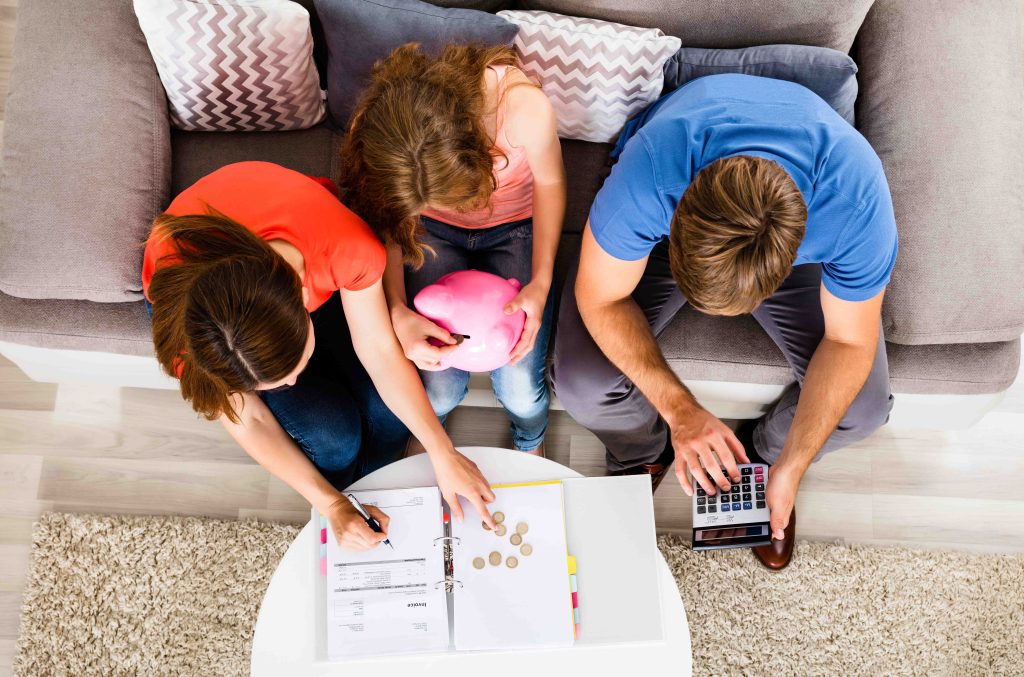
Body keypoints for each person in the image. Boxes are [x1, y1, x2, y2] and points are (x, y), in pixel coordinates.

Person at [552, 74, 897, 569]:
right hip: (680, 208)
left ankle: (763, 457)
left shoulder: (855, 201)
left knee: (863, 408)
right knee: (581, 380)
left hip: (794, 242)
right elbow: (600, 298)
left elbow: (849, 341)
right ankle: (641, 452)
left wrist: (793, 465)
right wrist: (680, 412)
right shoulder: (652, 171)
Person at [142, 161, 497, 551]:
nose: (291, 383)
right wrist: (331, 503)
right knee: (333, 437)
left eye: (291, 370)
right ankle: (356, 485)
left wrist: (441, 451)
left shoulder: (344, 247)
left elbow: (377, 348)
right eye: (274, 384)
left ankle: (368, 479)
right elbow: (249, 416)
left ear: (306, 303)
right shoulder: (191, 332)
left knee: (385, 413)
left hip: (307, 238)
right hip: (197, 287)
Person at [339, 43, 565, 457]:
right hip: (430, 234)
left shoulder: (522, 108)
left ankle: (529, 440)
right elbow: (390, 223)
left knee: (520, 389)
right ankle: (428, 436)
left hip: (515, 229)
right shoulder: (376, 131)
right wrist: (397, 310)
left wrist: (541, 282)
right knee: (437, 387)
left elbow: (550, 184)